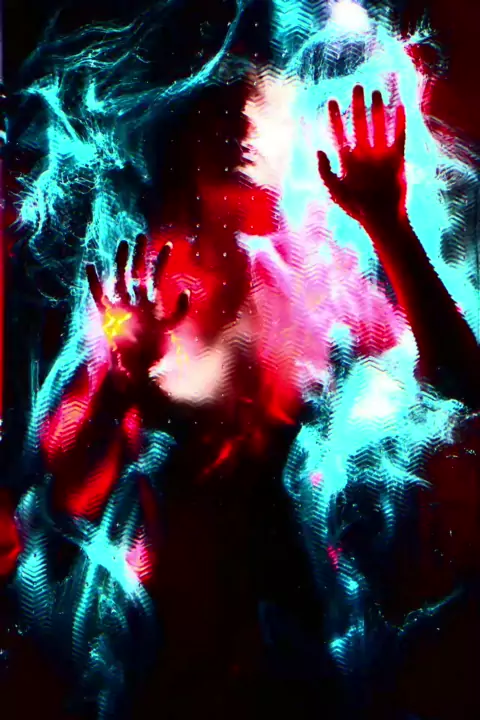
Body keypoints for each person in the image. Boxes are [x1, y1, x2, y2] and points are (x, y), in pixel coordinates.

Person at [11, 84, 480, 719]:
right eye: (222, 108)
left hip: (319, 671)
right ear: (185, 133)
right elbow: (66, 503)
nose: (238, 127)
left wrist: (387, 222)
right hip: (178, 673)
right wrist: (126, 391)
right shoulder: (142, 291)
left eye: (260, 104)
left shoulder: (328, 284)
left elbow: (460, 385)